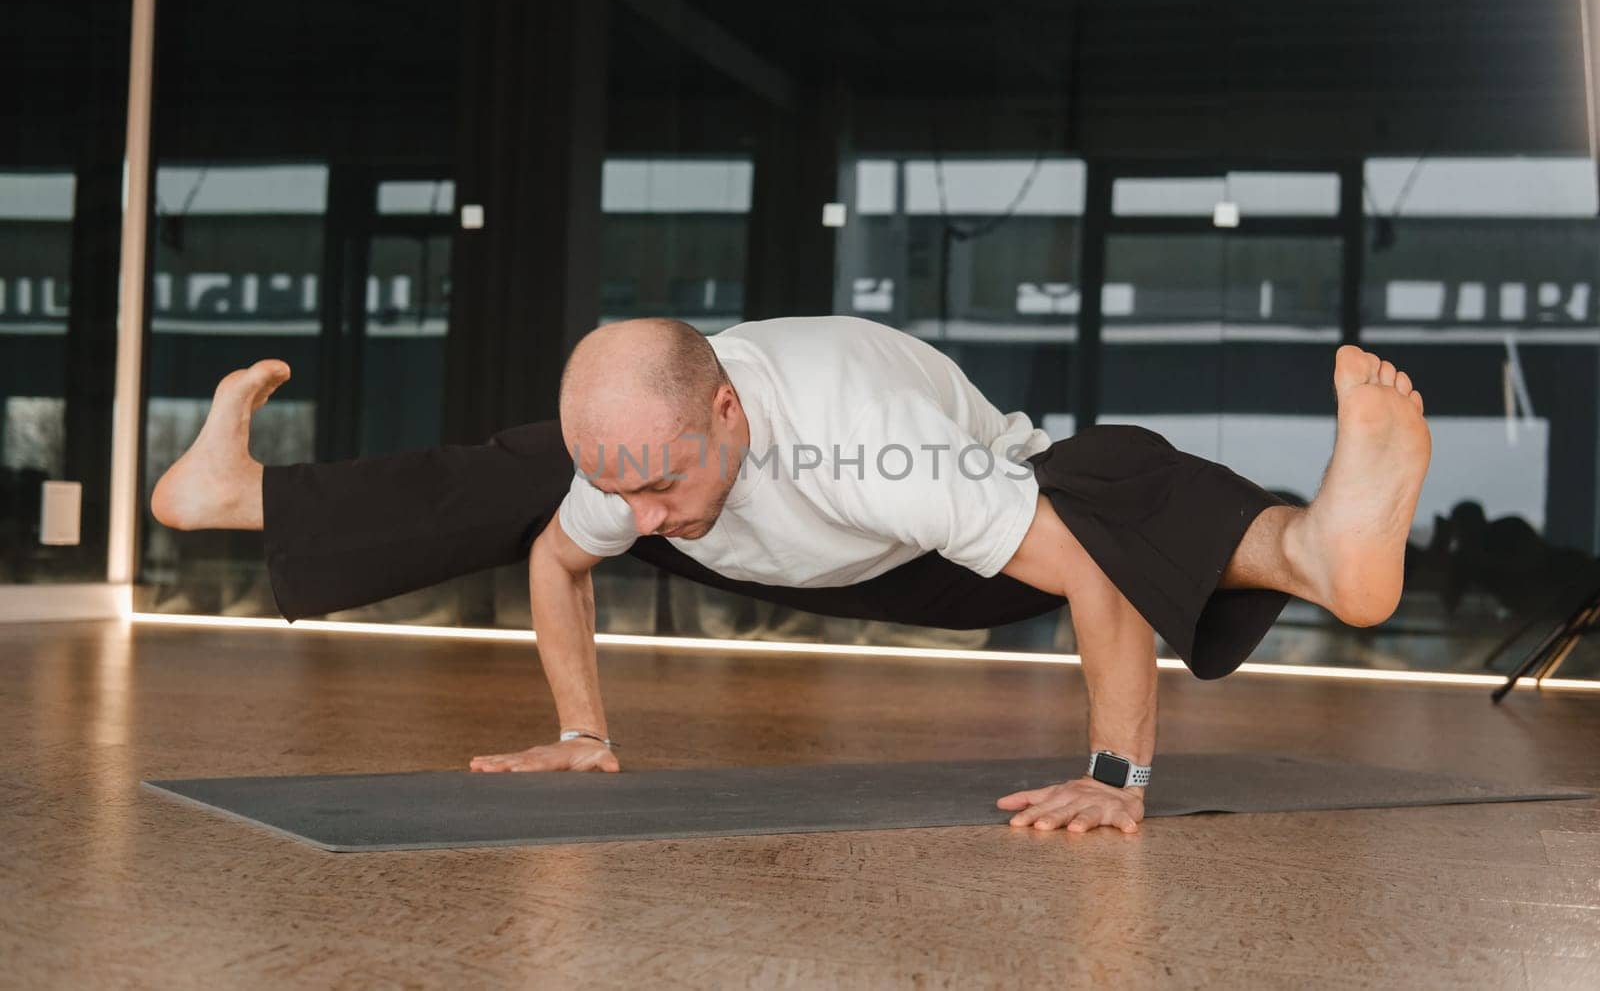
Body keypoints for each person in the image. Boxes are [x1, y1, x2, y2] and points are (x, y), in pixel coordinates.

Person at [151, 315, 1432, 835]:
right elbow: (556, 560)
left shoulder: (875, 449)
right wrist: (582, 729)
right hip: (799, 534)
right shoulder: (632, 462)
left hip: (940, 553)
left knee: (1112, 478)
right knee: (527, 478)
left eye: (665, 483)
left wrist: (1114, 777)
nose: (643, 516)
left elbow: (1095, 583)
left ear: (730, 410)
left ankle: (1311, 548)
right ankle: (240, 496)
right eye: (629, 489)